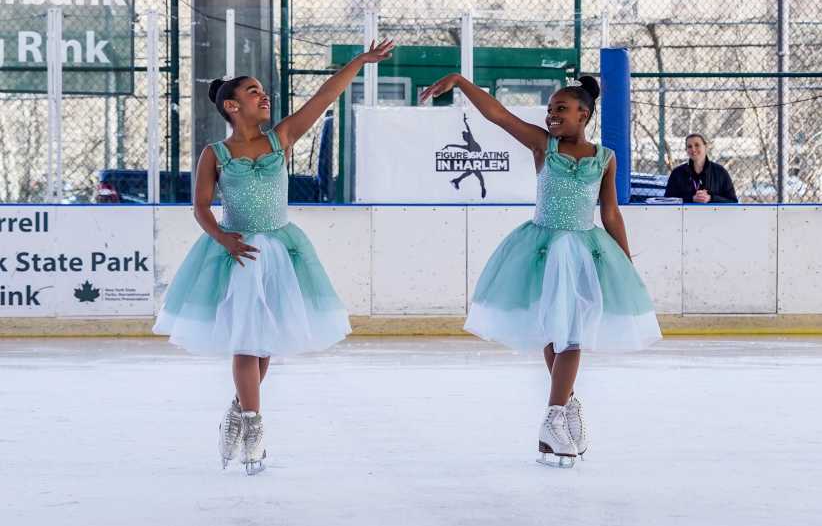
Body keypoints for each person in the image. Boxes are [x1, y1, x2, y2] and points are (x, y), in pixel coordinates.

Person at [153, 40, 395, 475]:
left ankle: (237, 410)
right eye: (253, 92)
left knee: (264, 345)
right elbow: (201, 206)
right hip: (240, 251)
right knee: (247, 340)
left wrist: (358, 62)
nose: (264, 96)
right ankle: (253, 424)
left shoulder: (280, 137)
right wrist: (223, 239)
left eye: (263, 90)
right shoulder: (216, 153)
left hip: (282, 251)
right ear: (231, 105)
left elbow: (323, 99)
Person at [420, 75, 661, 468]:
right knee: (556, 331)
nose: (551, 116)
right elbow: (498, 115)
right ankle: (561, 411)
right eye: (549, 110)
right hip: (544, 249)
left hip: (585, 251)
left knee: (570, 336)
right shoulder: (542, 146)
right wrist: (462, 82)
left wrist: (626, 261)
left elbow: (610, 212)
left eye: (560, 110)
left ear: (584, 115)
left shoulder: (606, 157)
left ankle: (556, 413)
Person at [664, 134, 738, 203]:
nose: (693, 149)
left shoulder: (720, 172)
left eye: (697, 145)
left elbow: (733, 201)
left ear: (705, 147)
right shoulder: (677, 173)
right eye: (689, 146)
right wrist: (691, 199)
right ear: (686, 150)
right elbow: (668, 201)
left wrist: (711, 198)